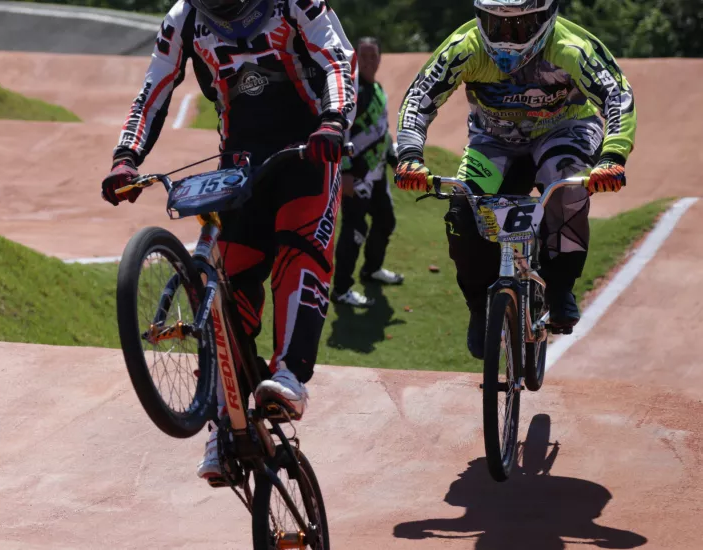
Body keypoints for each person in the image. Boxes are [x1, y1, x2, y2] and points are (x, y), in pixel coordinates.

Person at [100, 0, 356, 484]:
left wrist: (334, 121)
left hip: (309, 153)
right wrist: (125, 158)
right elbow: (152, 91)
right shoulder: (184, 19)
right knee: (224, 288)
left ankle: (287, 378)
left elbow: (336, 58)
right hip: (239, 165)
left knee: (299, 256)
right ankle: (223, 417)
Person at [393, 0, 635, 359]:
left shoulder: (573, 47)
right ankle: (480, 308)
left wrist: (612, 157)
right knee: (463, 212)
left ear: (546, 19)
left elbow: (617, 94)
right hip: (494, 141)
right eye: (495, 26)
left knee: (564, 190)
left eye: (519, 27)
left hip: (564, 131)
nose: (506, 39)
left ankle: (560, 287)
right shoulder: (466, 46)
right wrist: (410, 157)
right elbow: (420, 96)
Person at [331, 36, 404, 308]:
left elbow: (383, 132)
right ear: (356, 59)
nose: (369, 61)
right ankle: (341, 289)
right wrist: (345, 172)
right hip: (356, 176)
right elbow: (339, 132)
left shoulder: (379, 91)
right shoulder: (351, 91)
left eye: (374, 56)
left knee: (385, 221)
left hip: (376, 175)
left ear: (380, 58)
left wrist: (394, 159)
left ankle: (371, 270)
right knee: (354, 230)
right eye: (364, 56)